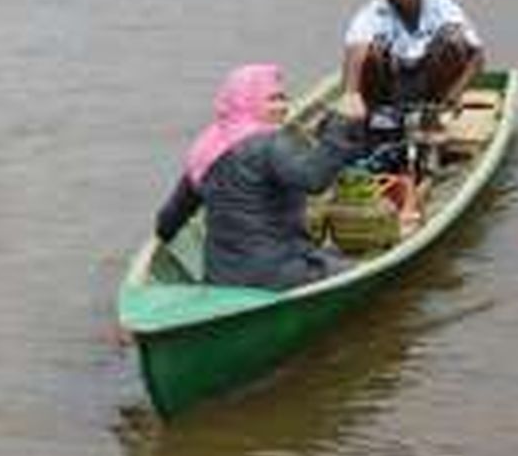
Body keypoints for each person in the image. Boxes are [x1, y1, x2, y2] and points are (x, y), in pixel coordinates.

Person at [154, 63, 364, 291]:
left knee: (329, 253)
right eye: (272, 99)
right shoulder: (269, 144)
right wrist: (341, 124)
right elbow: (315, 179)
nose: (283, 107)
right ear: (247, 101)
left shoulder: (206, 148)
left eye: (283, 98)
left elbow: (169, 219)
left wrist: (164, 237)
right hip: (277, 274)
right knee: (357, 268)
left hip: (221, 277)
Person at [340, 0, 485, 133]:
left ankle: (434, 113)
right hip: (390, 87)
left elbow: (477, 54)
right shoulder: (371, 14)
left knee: (455, 40)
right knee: (371, 52)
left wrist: (456, 94)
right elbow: (356, 50)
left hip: (431, 84)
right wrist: (352, 94)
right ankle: (377, 117)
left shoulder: (443, 7)